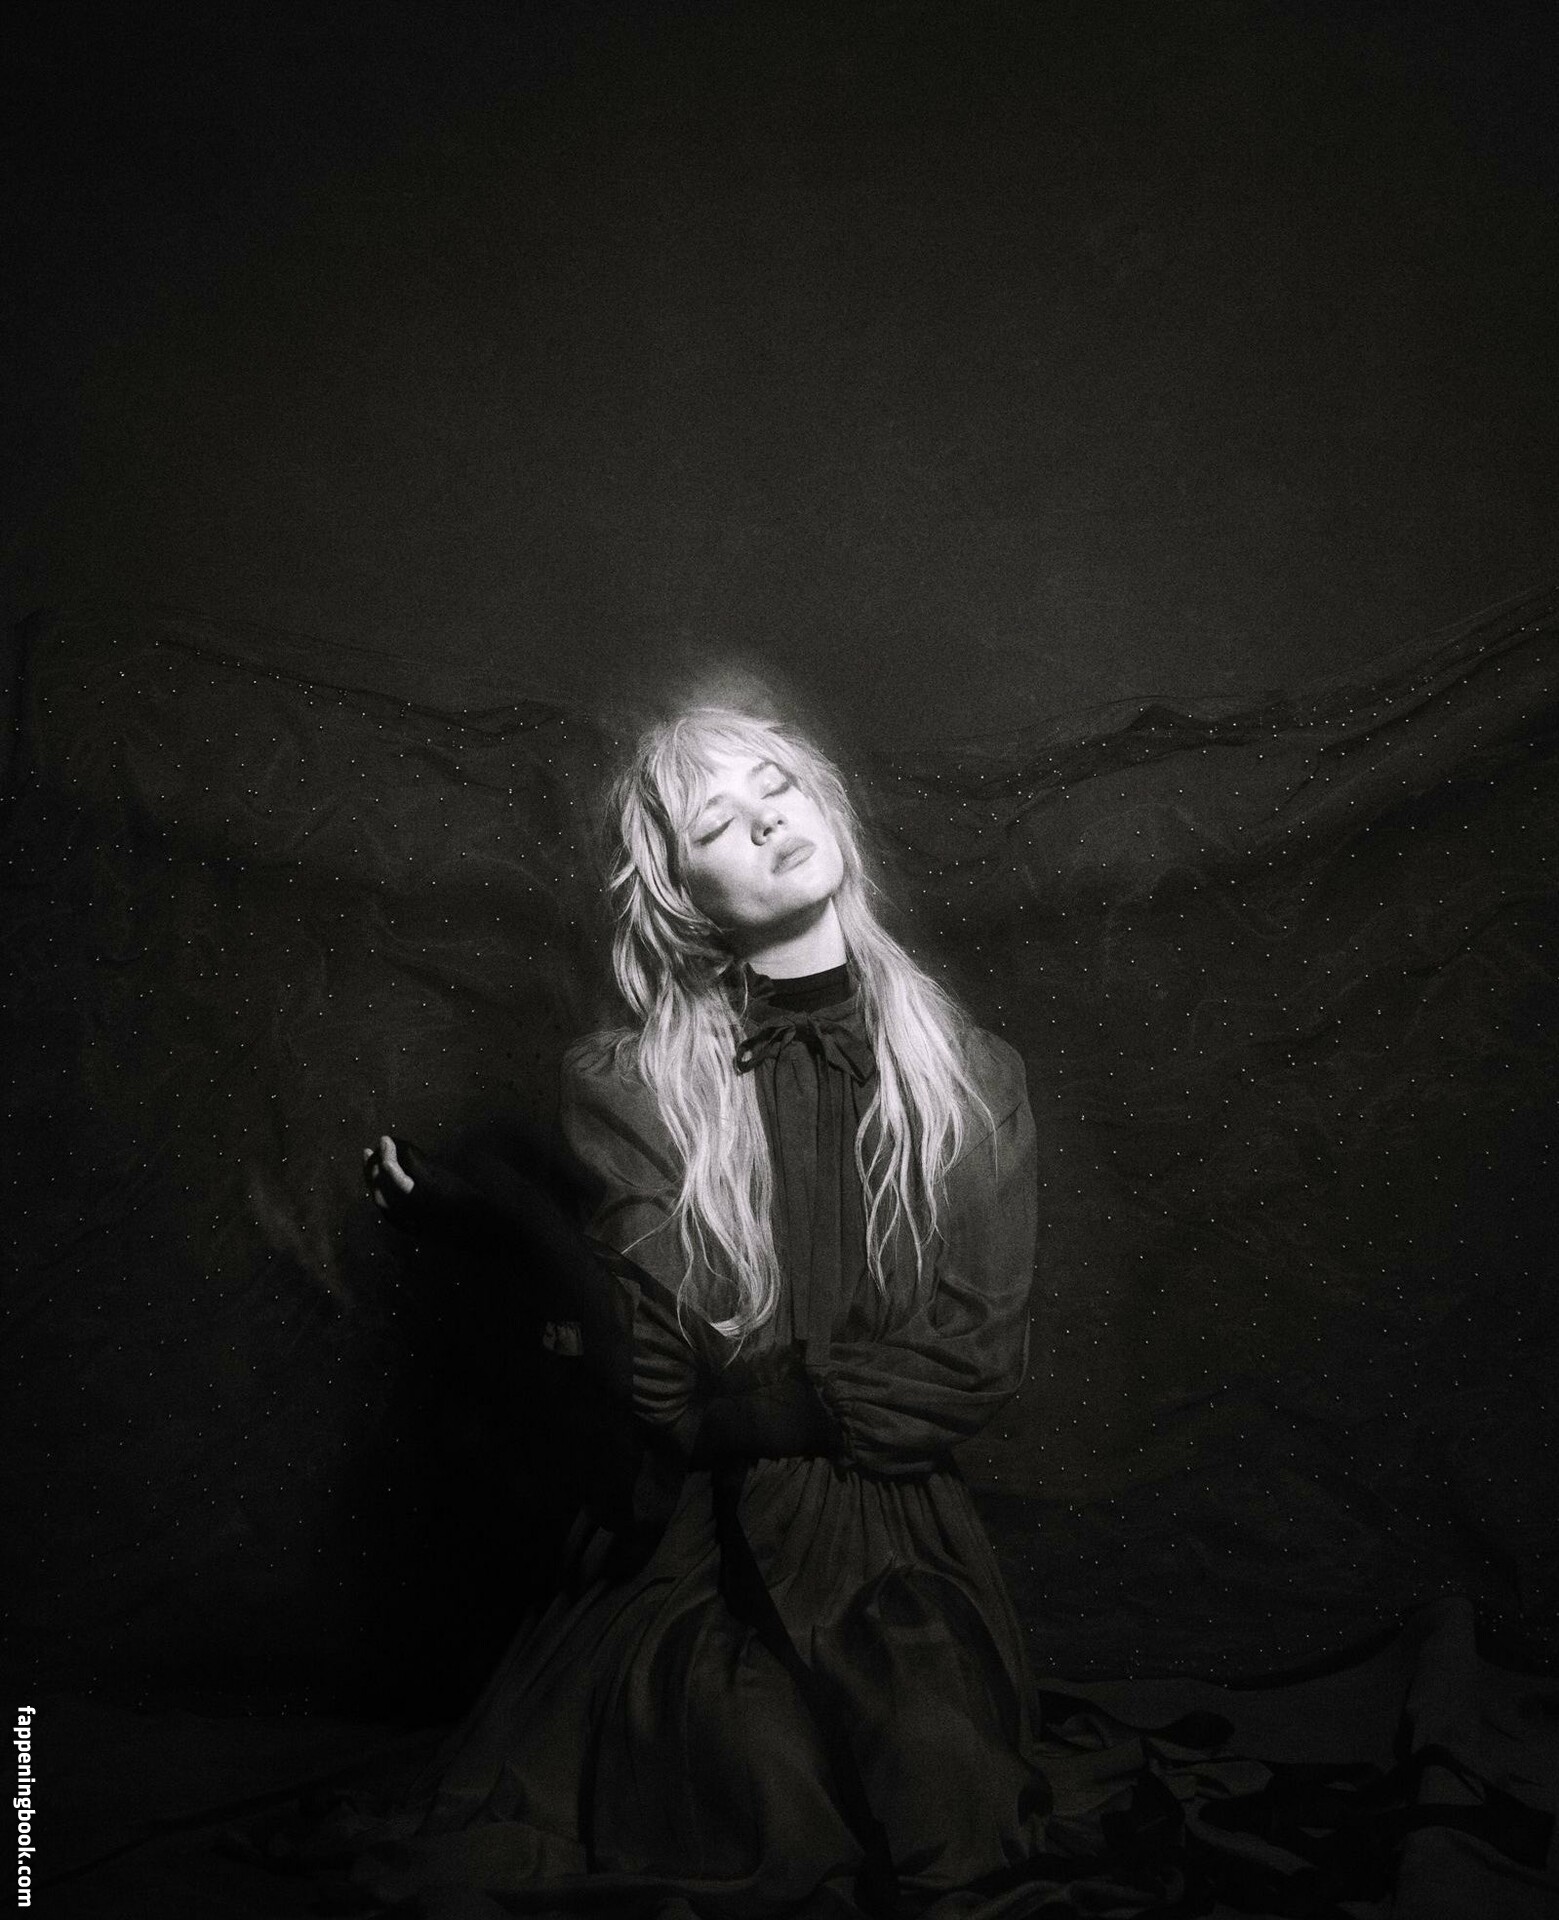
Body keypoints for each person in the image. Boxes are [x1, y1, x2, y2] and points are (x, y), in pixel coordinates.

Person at [341, 704, 1048, 1918]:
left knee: (934, 1794)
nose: (766, 820)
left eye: (777, 785)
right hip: (699, 1539)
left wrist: (774, 1410)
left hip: (894, 1536)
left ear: (825, 803)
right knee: (746, 1778)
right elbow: (662, 1381)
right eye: (716, 822)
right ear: (681, 897)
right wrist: (518, 1229)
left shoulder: (972, 1074)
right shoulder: (632, 1086)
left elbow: (972, 1359)